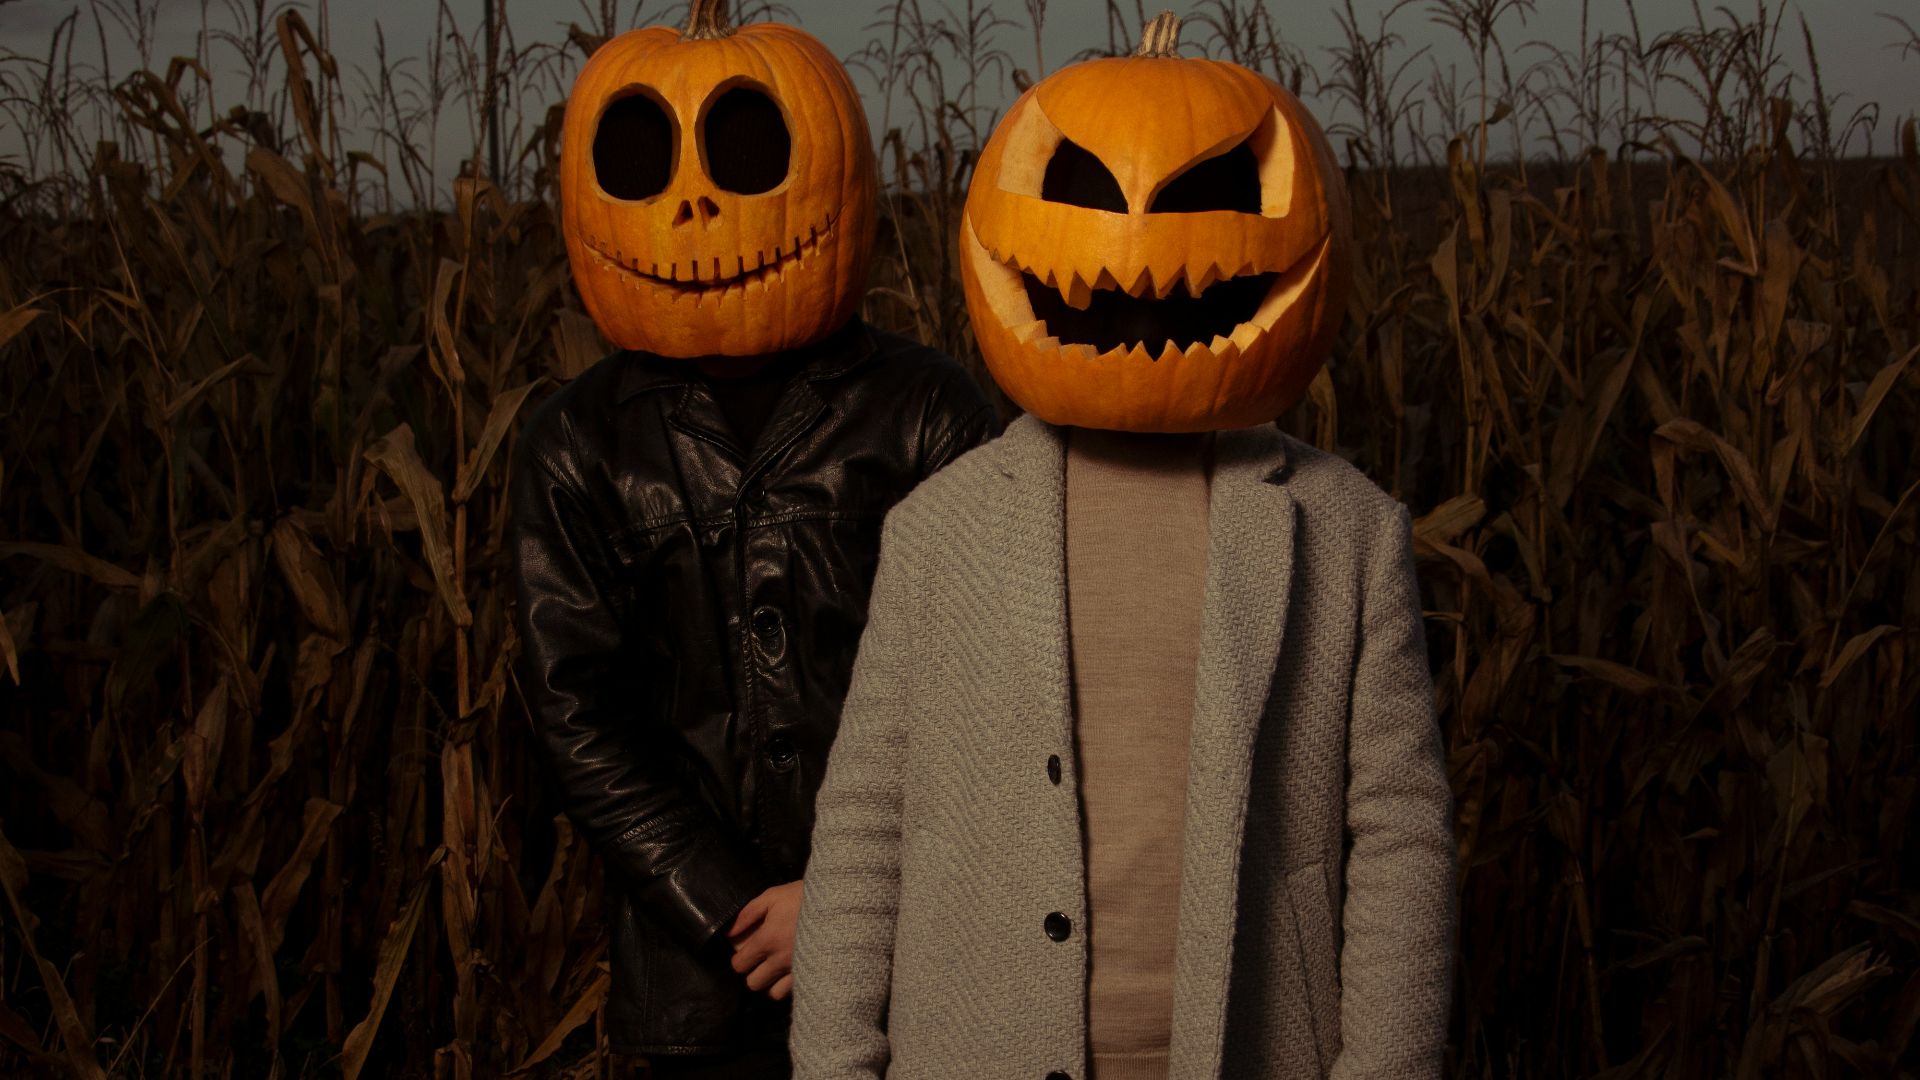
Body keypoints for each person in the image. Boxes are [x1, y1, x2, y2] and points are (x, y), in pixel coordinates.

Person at [791, 14, 1454, 1080]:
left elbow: (1400, 836)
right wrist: (832, 1065)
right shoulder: (939, 531)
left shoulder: (1346, 531)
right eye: (1092, 197)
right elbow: (868, 821)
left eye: (1204, 198)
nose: (1141, 247)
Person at [513, 3, 997, 1076]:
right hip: (695, 982)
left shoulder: (928, 413)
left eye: (743, 156)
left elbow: (987, 688)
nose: (694, 205)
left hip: (913, 959)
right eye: (642, 165)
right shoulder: (576, 444)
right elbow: (577, 716)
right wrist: (731, 907)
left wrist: (848, 899)